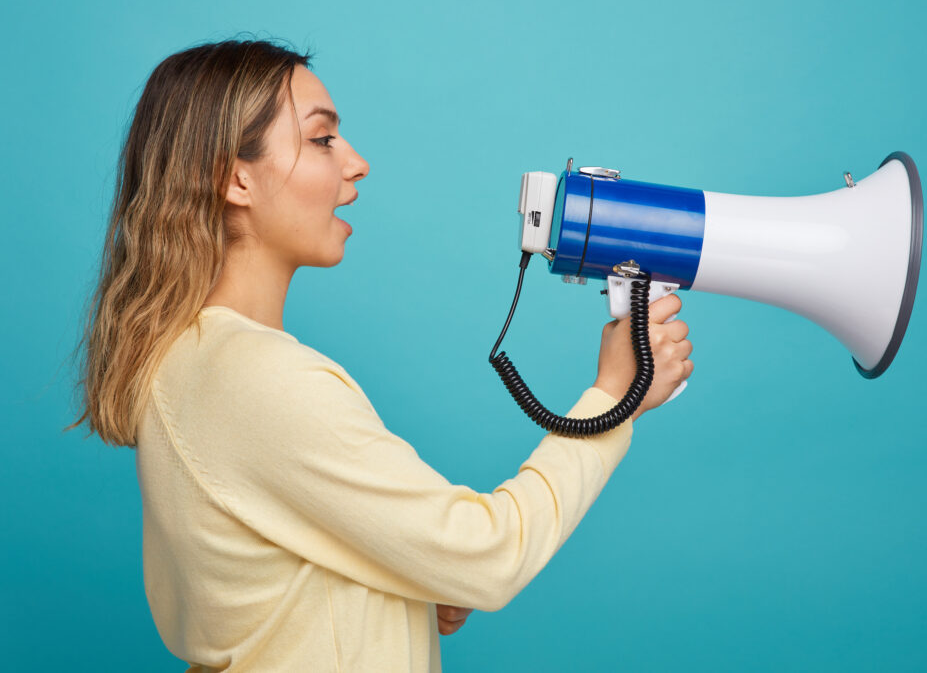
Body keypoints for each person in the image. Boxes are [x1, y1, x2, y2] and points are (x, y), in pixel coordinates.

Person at [66, 37, 694, 672]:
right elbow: (490, 555)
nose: (357, 163)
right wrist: (615, 398)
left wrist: (413, 581)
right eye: (321, 139)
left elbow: (286, 578)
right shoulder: (261, 380)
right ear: (235, 177)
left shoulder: (193, 363)